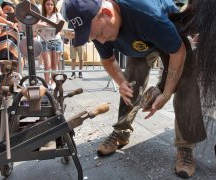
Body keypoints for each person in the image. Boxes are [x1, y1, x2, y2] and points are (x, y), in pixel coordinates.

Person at [66, 0, 207, 178]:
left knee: (186, 83)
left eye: (101, 34)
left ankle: (185, 146)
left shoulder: (147, 14)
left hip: (169, 34)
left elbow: (177, 52)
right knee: (131, 78)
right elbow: (108, 59)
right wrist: (120, 82)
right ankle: (121, 132)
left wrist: (165, 93)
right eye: (95, 38)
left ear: (108, 13)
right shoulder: (95, 24)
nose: (100, 41)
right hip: (138, 43)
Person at [38, 0, 65, 89]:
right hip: (45, 41)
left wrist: (47, 25)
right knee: (47, 65)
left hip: (56, 40)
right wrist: (46, 25)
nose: (50, 6)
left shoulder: (57, 15)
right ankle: (46, 84)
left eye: (51, 4)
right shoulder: (41, 15)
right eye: (48, 4)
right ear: (44, 5)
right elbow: (36, 25)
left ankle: (53, 83)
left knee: (55, 65)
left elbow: (62, 25)